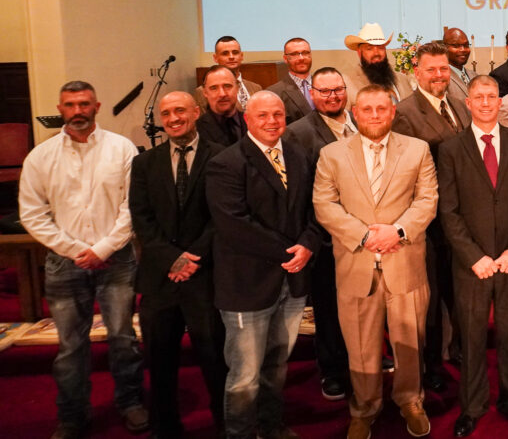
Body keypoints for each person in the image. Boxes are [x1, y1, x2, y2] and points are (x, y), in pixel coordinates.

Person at [19, 81, 147, 439]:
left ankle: (131, 402)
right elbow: (32, 214)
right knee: (71, 345)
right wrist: (75, 251)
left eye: (84, 104)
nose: (78, 110)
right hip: (64, 262)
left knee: (123, 338)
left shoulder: (121, 149)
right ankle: (72, 416)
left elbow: (132, 206)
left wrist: (103, 249)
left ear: (97, 106)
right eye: (70, 104)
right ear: (60, 109)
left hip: (116, 259)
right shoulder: (40, 157)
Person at [313, 85, 438, 439]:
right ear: (355, 112)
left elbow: (427, 200)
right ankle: (365, 408)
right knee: (360, 345)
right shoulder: (332, 154)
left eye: (381, 108)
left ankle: (411, 400)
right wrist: (366, 236)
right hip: (357, 263)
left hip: (405, 263)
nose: (374, 115)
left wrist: (397, 231)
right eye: (366, 109)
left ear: (393, 110)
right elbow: (325, 205)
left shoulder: (418, 150)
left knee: (410, 341)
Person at [207, 91, 323, 439]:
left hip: (292, 281)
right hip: (248, 284)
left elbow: (313, 210)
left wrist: (308, 243)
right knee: (244, 375)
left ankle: (272, 426)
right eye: (263, 116)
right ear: (247, 119)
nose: (272, 121)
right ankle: (240, 434)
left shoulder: (297, 154)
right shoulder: (227, 163)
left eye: (278, 114)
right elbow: (233, 224)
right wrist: (291, 251)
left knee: (276, 366)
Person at [438, 76, 508, 437]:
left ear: (501, 102)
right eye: (478, 97)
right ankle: (473, 405)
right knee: (471, 338)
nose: (485, 102)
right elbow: (448, 212)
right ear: (467, 103)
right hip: (472, 265)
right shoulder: (450, 149)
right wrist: (473, 256)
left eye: (491, 97)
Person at [129, 91, 227, 437]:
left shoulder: (220, 158)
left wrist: (192, 258)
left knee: (215, 359)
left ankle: (225, 425)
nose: (173, 118)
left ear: (196, 112)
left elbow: (221, 217)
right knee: (160, 361)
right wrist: (172, 258)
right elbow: (141, 219)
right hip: (160, 277)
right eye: (167, 112)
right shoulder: (144, 163)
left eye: (180, 110)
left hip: (205, 276)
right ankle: (165, 428)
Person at [392, 41, 471, 392]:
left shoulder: (459, 105)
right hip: (430, 222)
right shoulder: (404, 112)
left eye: (443, 69)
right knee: (433, 296)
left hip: (463, 220)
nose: (440, 75)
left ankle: (459, 348)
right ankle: (432, 364)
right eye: (432, 70)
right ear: (416, 72)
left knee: (460, 290)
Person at [283, 67, 354, 402]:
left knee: (364, 303)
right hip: (325, 237)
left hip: (364, 235)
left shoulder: (358, 122)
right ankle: (332, 369)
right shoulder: (298, 133)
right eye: (324, 91)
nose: (332, 96)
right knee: (329, 308)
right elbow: (299, 192)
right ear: (312, 94)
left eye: (338, 89)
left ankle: (363, 356)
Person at [344, 23, 414, 103]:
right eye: (369, 49)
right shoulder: (349, 83)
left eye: (380, 48)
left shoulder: (402, 79)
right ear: (359, 53)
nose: (376, 53)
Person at [193, 36, 262, 113]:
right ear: (215, 58)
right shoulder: (202, 91)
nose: (231, 57)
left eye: (235, 52)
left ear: (241, 56)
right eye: (225, 53)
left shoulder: (256, 88)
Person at [196, 65, 247, 147]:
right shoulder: (196, 130)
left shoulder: (252, 122)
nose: (222, 94)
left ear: (237, 88)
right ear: (205, 92)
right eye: (214, 88)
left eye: (227, 86)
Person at [267, 37, 315, 124]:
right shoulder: (274, 93)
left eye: (305, 53)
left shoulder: (324, 86)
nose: (301, 58)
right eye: (295, 54)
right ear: (285, 59)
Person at [443, 27, 476, 106]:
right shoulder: (442, 78)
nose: (463, 50)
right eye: (456, 46)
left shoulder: (474, 76)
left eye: (466, 45)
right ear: (444, 48)